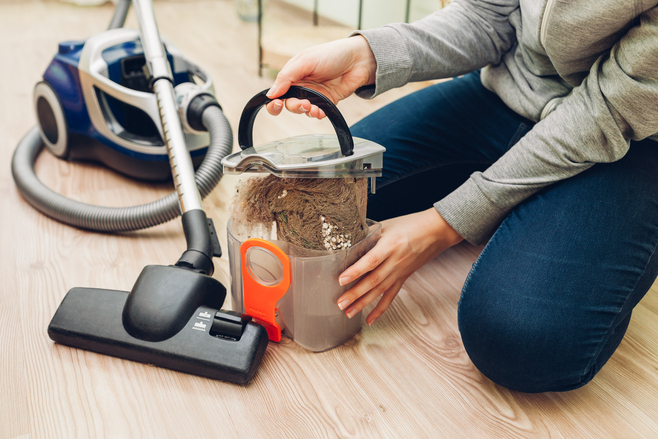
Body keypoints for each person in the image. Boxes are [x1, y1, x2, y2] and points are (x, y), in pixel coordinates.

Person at [264, 1, 658, 393]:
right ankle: (520, 206)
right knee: (307, 204)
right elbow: (491, 15)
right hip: (512, 93)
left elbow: (607, 111)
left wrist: (445, 224)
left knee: (520, 341)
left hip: (629, 135)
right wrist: (367, 55)